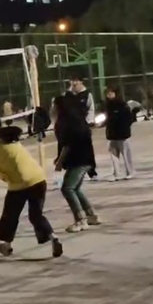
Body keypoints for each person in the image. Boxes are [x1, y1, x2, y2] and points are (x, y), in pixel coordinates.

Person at [0, 112, 62, 258]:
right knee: (36, 215)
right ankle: (53, 237)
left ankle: (5, 243)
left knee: (9, 216)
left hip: (19, 185)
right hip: (38, 179)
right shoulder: (8, 136)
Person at [53, 95, 100, 232]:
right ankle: (91, 215)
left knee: (67, 188)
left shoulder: (67, 123)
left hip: (79, 160)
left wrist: (60, 162)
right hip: (85, 159)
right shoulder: (77, 119)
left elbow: (67, 145)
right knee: (75, 188)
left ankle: (80, 220)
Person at [64, 75, 98, 179]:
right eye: (72, 82)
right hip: (71, 127)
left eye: (76, 82)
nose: (74, 84)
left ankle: (91, 171)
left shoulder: (87, 94)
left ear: (81, 82)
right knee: (72, 150)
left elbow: (91, 109)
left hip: (83, 126)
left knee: (87, 149)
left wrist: (88, 122)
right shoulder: (68, 95)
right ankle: (74, 171)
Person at [104, 86, 136, 180]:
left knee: (126, 154)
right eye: (108, 93)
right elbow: (108, 119)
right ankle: (116, 174)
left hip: (122, 134)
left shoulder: (122, 105)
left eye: (111, 93)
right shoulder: (107, 106)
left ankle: (130, 172)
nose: (109, 95)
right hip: (112, 134)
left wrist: (124, 129)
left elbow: (129, 118)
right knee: (114, 155)